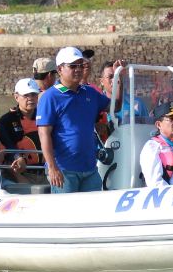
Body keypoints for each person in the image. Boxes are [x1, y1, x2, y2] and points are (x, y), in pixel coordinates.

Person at [36, 47, 125, 193]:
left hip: (90, 169)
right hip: (64, 171)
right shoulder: (50, 97)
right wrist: (52, 168)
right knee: (66, 215)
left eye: (80, 65)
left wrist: (118, 78)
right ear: (60, 69)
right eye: (72, 66)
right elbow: (43, 134)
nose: (78, 69)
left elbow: (115, 107)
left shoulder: (89, 92)